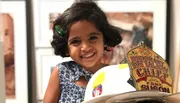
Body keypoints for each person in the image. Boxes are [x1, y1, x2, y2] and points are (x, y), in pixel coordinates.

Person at [43, 0, 122, 103]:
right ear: (66, 47)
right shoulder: (61, 72)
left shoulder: (114, 74)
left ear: (105, 39)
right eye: (75, 41)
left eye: (93, 38)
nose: (85, 47)